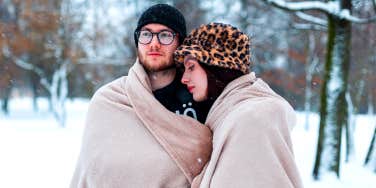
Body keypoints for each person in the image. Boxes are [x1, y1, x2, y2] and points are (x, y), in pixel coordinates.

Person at [70, 4, 212, 187]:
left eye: (165, 35)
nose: (154, 43)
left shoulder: (200, 97)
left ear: (181, 43)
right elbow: (93, 171)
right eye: (146, 34)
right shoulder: (109, 100)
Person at [174, 22, 303, 188]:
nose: (184, 78)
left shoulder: (250, 118)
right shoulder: (231, 113)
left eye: (191, 67)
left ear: (216, 67)